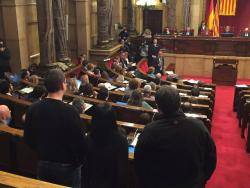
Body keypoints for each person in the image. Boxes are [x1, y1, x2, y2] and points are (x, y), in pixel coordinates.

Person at [134, 85, 217, 188]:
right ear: (179, 103)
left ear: (158, 106)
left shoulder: (150, 130)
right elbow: (211, 158)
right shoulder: (198, 127)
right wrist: (201, 180)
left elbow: (139, 162)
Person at [24, 69, 87, 187]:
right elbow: (80, 143)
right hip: (67, 167)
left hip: (43, 162)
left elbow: (28, 138)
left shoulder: (33, 108)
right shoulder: (71, 111)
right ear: (63, 85)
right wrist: (78, 162)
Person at [85, 103, 128, 188]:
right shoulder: (121, 140)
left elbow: (85, 169)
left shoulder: (88, 138)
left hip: (91, 183)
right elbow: (122, 172)